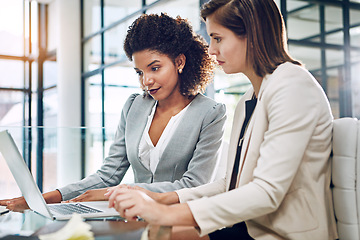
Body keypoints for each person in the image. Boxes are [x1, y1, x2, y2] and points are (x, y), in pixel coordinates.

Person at [106, 0, 338, 239]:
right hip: (252, 227)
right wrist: (164, 198)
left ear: (252, 35)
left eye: (217, 38)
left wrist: (167, 214)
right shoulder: (249, 99)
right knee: (157, 232)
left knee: (164, 231)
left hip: (283, 234)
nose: (211, 50)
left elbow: (267, 192)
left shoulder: (293, 85)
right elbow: (233, 182)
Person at [0, 13, 226, 211]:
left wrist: (119, 192)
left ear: (179, 61)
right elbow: (107, 175)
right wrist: (43, 199)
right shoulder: (134, 106)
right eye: (139, 72)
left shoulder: (211, 113)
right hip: (133, 217)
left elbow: (193, 185)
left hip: (181, 221)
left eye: (154, 68)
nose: (146, 81)